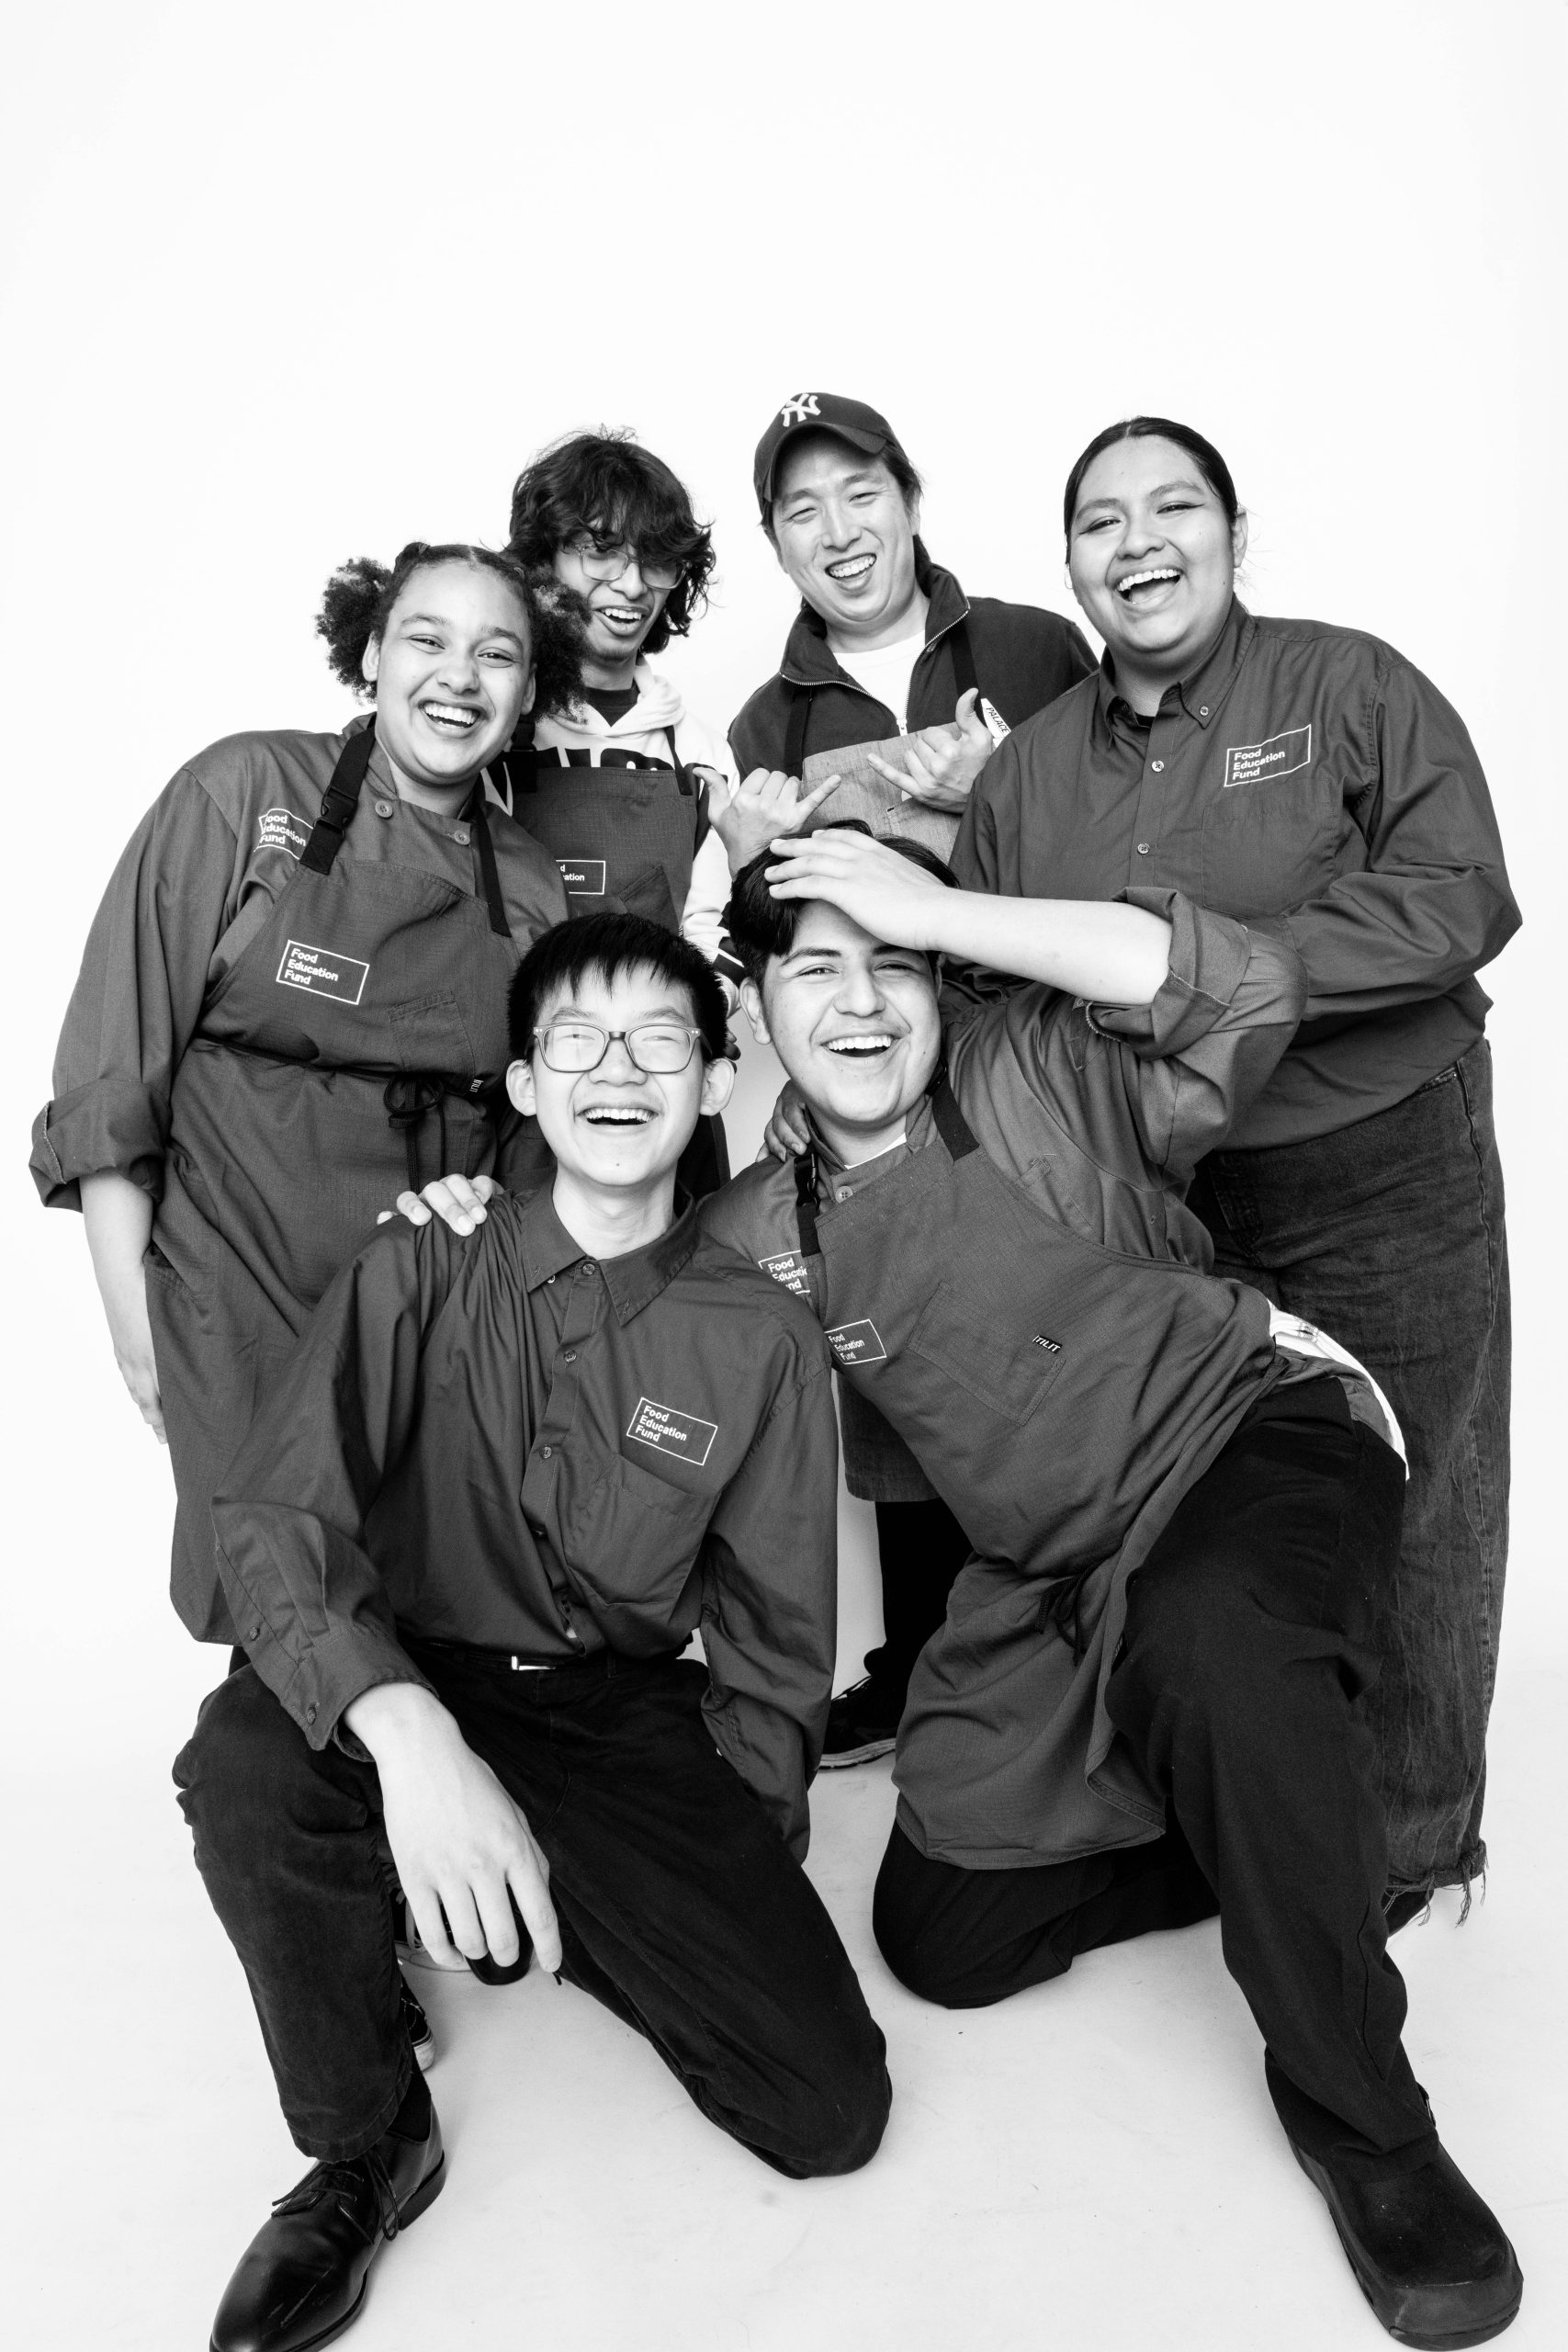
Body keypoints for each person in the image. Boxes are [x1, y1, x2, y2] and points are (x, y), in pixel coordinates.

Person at [708, 825, 1521, 2347]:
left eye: (892, 960)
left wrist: (938, 904)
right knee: (941, 1936)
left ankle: (1366, 2118)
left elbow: (1235, 994)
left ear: (946, 975)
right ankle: (1286, 1826)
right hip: (1062, 1565)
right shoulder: (761, 1239)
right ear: (754, 1006)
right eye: (815, 967)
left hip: (1256, 1429)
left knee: (1211, 1641)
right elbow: (627, 1353)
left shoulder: (1034, 1063)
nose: (861, 1000)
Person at [175, 913, 891, 2352]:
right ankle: (366, 2144)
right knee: (245, 1761)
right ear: (521, 1085)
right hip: (416, 1671)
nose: (615, 1072)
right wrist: (408, 1732)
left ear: (709, 1081)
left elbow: (768, 1641)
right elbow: (272, 1519)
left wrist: (714, 1876)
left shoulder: (754, 1336)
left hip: (611, 1714)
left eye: (658, 1044)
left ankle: (518, 1903)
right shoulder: (422, 1260)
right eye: (576, 1040)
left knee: (827, 2112)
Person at [952, 416, 1519, 1916]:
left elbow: (1464, 898)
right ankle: (1238, 1806)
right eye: (1099, 521)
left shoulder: (1346, 684)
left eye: (1172, 507)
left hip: (1379, 1169)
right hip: (1161, 1207)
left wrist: (1224, 969)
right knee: (1202, 1512)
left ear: (1232, 531)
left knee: (1417, 1495)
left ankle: (1405, 1841)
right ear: (1066, 563)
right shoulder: (1025, 777)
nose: (1137, 542)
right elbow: (995, 994)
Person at [30, 541, 574, 1648]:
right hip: (238, 1282)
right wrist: (133, 1319)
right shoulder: (241, 791)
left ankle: (386, 1817)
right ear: (373, 652)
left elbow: (532, 1139)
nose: (459, 676)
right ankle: (266, 1816)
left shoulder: (527, 880)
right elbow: (114, 1063)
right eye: (428, 639)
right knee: (272, 1594)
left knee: (415, 1592)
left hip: (428, 1298)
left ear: (525, 696)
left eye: (497, 654)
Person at [726, 390, 1097, 1764]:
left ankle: (1074, 1641)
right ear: (775, 544)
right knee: (891, 1352)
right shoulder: (770, 717)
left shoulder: (1028, 644)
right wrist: (743, 851)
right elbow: (777, 938)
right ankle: (919, 1661)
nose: (839, 530)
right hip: (884, 1073)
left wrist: (992, 784)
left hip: (1043, 1059)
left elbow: (1114, 832)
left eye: (857, 492)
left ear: (909, 496)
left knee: (1050, 1341)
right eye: (800, 510)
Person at [501, 428, 740, 1193]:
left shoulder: (699, 751)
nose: (632, 585)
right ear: (542, 563)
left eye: (657, 559)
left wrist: (655, 1051)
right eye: (600, 549)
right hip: (512, 1105)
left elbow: (717, 931)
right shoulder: (493, 732)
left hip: (662, 1104)